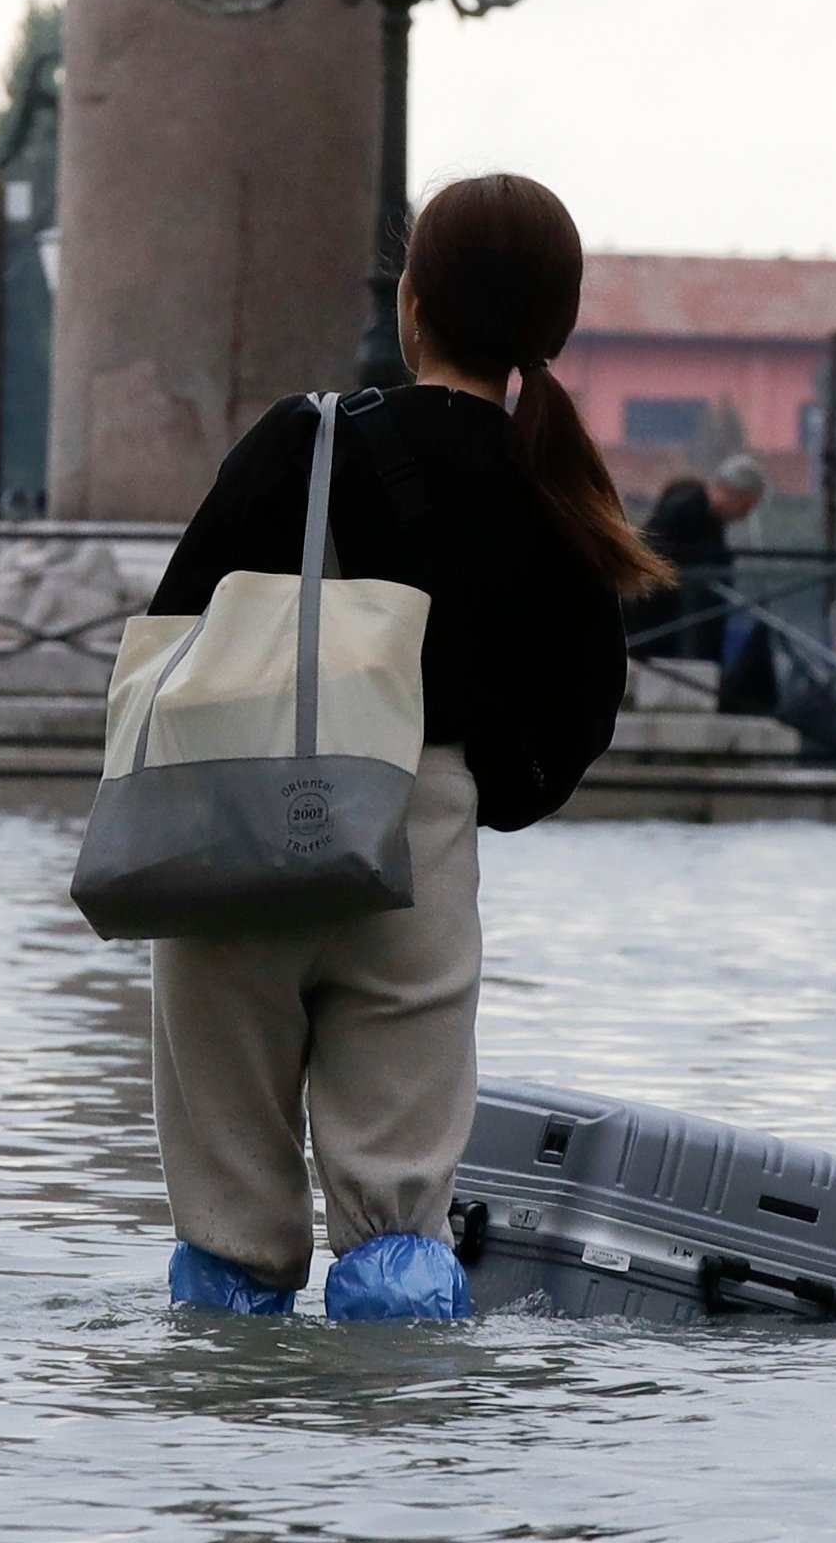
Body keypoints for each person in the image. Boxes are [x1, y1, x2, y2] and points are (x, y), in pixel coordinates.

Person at [145, 175, 659, 1319]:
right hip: (418, 837)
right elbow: (575, 719)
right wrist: (465, 787)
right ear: (555, 325)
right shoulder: (557, 489)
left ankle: (229, 1457)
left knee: (227, 1226)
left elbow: (175, 633)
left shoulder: (304, 439)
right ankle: (403, 1473)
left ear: (410, 304)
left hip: (234, 827)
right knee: (397, 1219)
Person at [630, 452, 762, 663]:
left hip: (677, 622)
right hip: (657, 619)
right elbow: (657, 553)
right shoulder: (685, 506)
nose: (744, 515)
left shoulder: (711, 520)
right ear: (729, 491)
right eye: (745, 506)